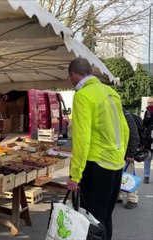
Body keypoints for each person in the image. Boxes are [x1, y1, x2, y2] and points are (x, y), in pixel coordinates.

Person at [66, 58, 129, 240]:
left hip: (96, 165)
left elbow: (81, 138)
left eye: (70, 78)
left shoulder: (83, 95)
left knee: (91, 220)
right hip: (115, 164)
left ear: (73, 75)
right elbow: (124, 129)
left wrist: (75, 175)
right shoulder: (111, 92)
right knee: (105, 217)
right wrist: (120, 156)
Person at [117, 110, 140, 209]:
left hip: (127, 153)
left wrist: (130, 154)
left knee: (129, 177)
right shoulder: (117, 115)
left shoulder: (126, 116)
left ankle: (132, 199)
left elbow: (134, 136)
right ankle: (118, 196)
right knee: (118, 175)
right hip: (118, 152)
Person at [143, 97, 153, 184]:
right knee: (148, 157)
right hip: (149, 138)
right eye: (148, 103)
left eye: (151, 103)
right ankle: (146, 175)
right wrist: (148, 114)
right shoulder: (147, 112)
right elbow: (144, 123)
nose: (149, 104)